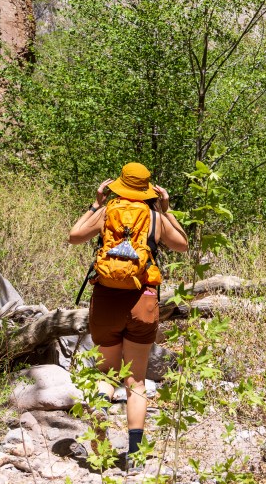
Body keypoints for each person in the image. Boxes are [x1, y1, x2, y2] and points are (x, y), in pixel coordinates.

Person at [68, 162, 188, 470]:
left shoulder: (107, 211)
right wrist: (167, 210)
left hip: (106, 301)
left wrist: (94, 204)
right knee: (135, 381)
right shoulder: (155, 217)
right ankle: (134, 456)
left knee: (105, 372)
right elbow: (183, 245)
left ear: (119, 184)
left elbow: (74, 236)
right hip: (143, 302)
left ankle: (99, 449)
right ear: (149, 189)